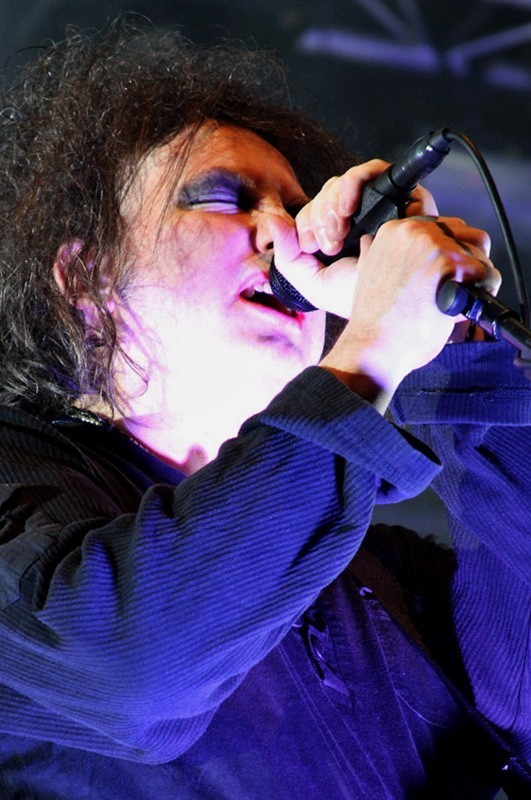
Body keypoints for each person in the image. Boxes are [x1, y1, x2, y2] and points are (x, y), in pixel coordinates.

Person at [0, 18, 529, 800]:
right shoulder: (18, 489)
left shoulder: (361, 562)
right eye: (223, 199)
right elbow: (130, 676)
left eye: (296, 209)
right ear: (85, 280)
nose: (284, 238)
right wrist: (372, 353)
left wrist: (453, 342)